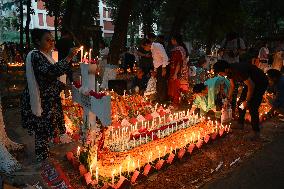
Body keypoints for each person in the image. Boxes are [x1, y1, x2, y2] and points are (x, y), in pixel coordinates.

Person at [21, 29, 79, 163]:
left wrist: (60, 86)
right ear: (37, 41)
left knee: (47, 127)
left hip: (49, 99)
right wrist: (69, 57)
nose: (52, 42)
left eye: (52, 39)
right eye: (48, 39)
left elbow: (54, 75)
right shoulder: (36, 55)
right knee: (41, 128)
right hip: (42, 99)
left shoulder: (45, 55)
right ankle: (42, 159)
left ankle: (45, 152)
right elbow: (51, 72)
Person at [213, 60, 268, 139]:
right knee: (240, 103)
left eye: (220, 73)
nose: (220, 75)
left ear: (225, 70)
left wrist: (247, 101)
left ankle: (256, 132)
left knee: (253, 107)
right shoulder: (229, 71)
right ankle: (240, 123)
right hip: (250, 83)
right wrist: (228, 99)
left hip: (260, 82)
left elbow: (251, 86)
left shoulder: (238, 70)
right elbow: (232, 85)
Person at [142, 33, 169, 104]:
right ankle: (160, 99)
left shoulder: (157, 46)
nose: (145, 49)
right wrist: (155, 70)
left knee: (161, 84)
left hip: (162, 67)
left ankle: (163, 101)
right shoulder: (152, 49)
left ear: (147, 44)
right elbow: (155, 60)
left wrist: (164, 68)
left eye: (144, 47)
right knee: (159, 84)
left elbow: (165, 57)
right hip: (158, 68)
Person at [168, 34, 189, 107]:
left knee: (176, 87)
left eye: (172, 39)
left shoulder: (178, 50)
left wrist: (175, 74)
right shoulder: (182, 49)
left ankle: (175, 104)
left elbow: (178, 63)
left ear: (175, 40)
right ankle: (178, 103)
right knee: (177, 87)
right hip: (181, 71)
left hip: (177, 71)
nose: (171, 41)